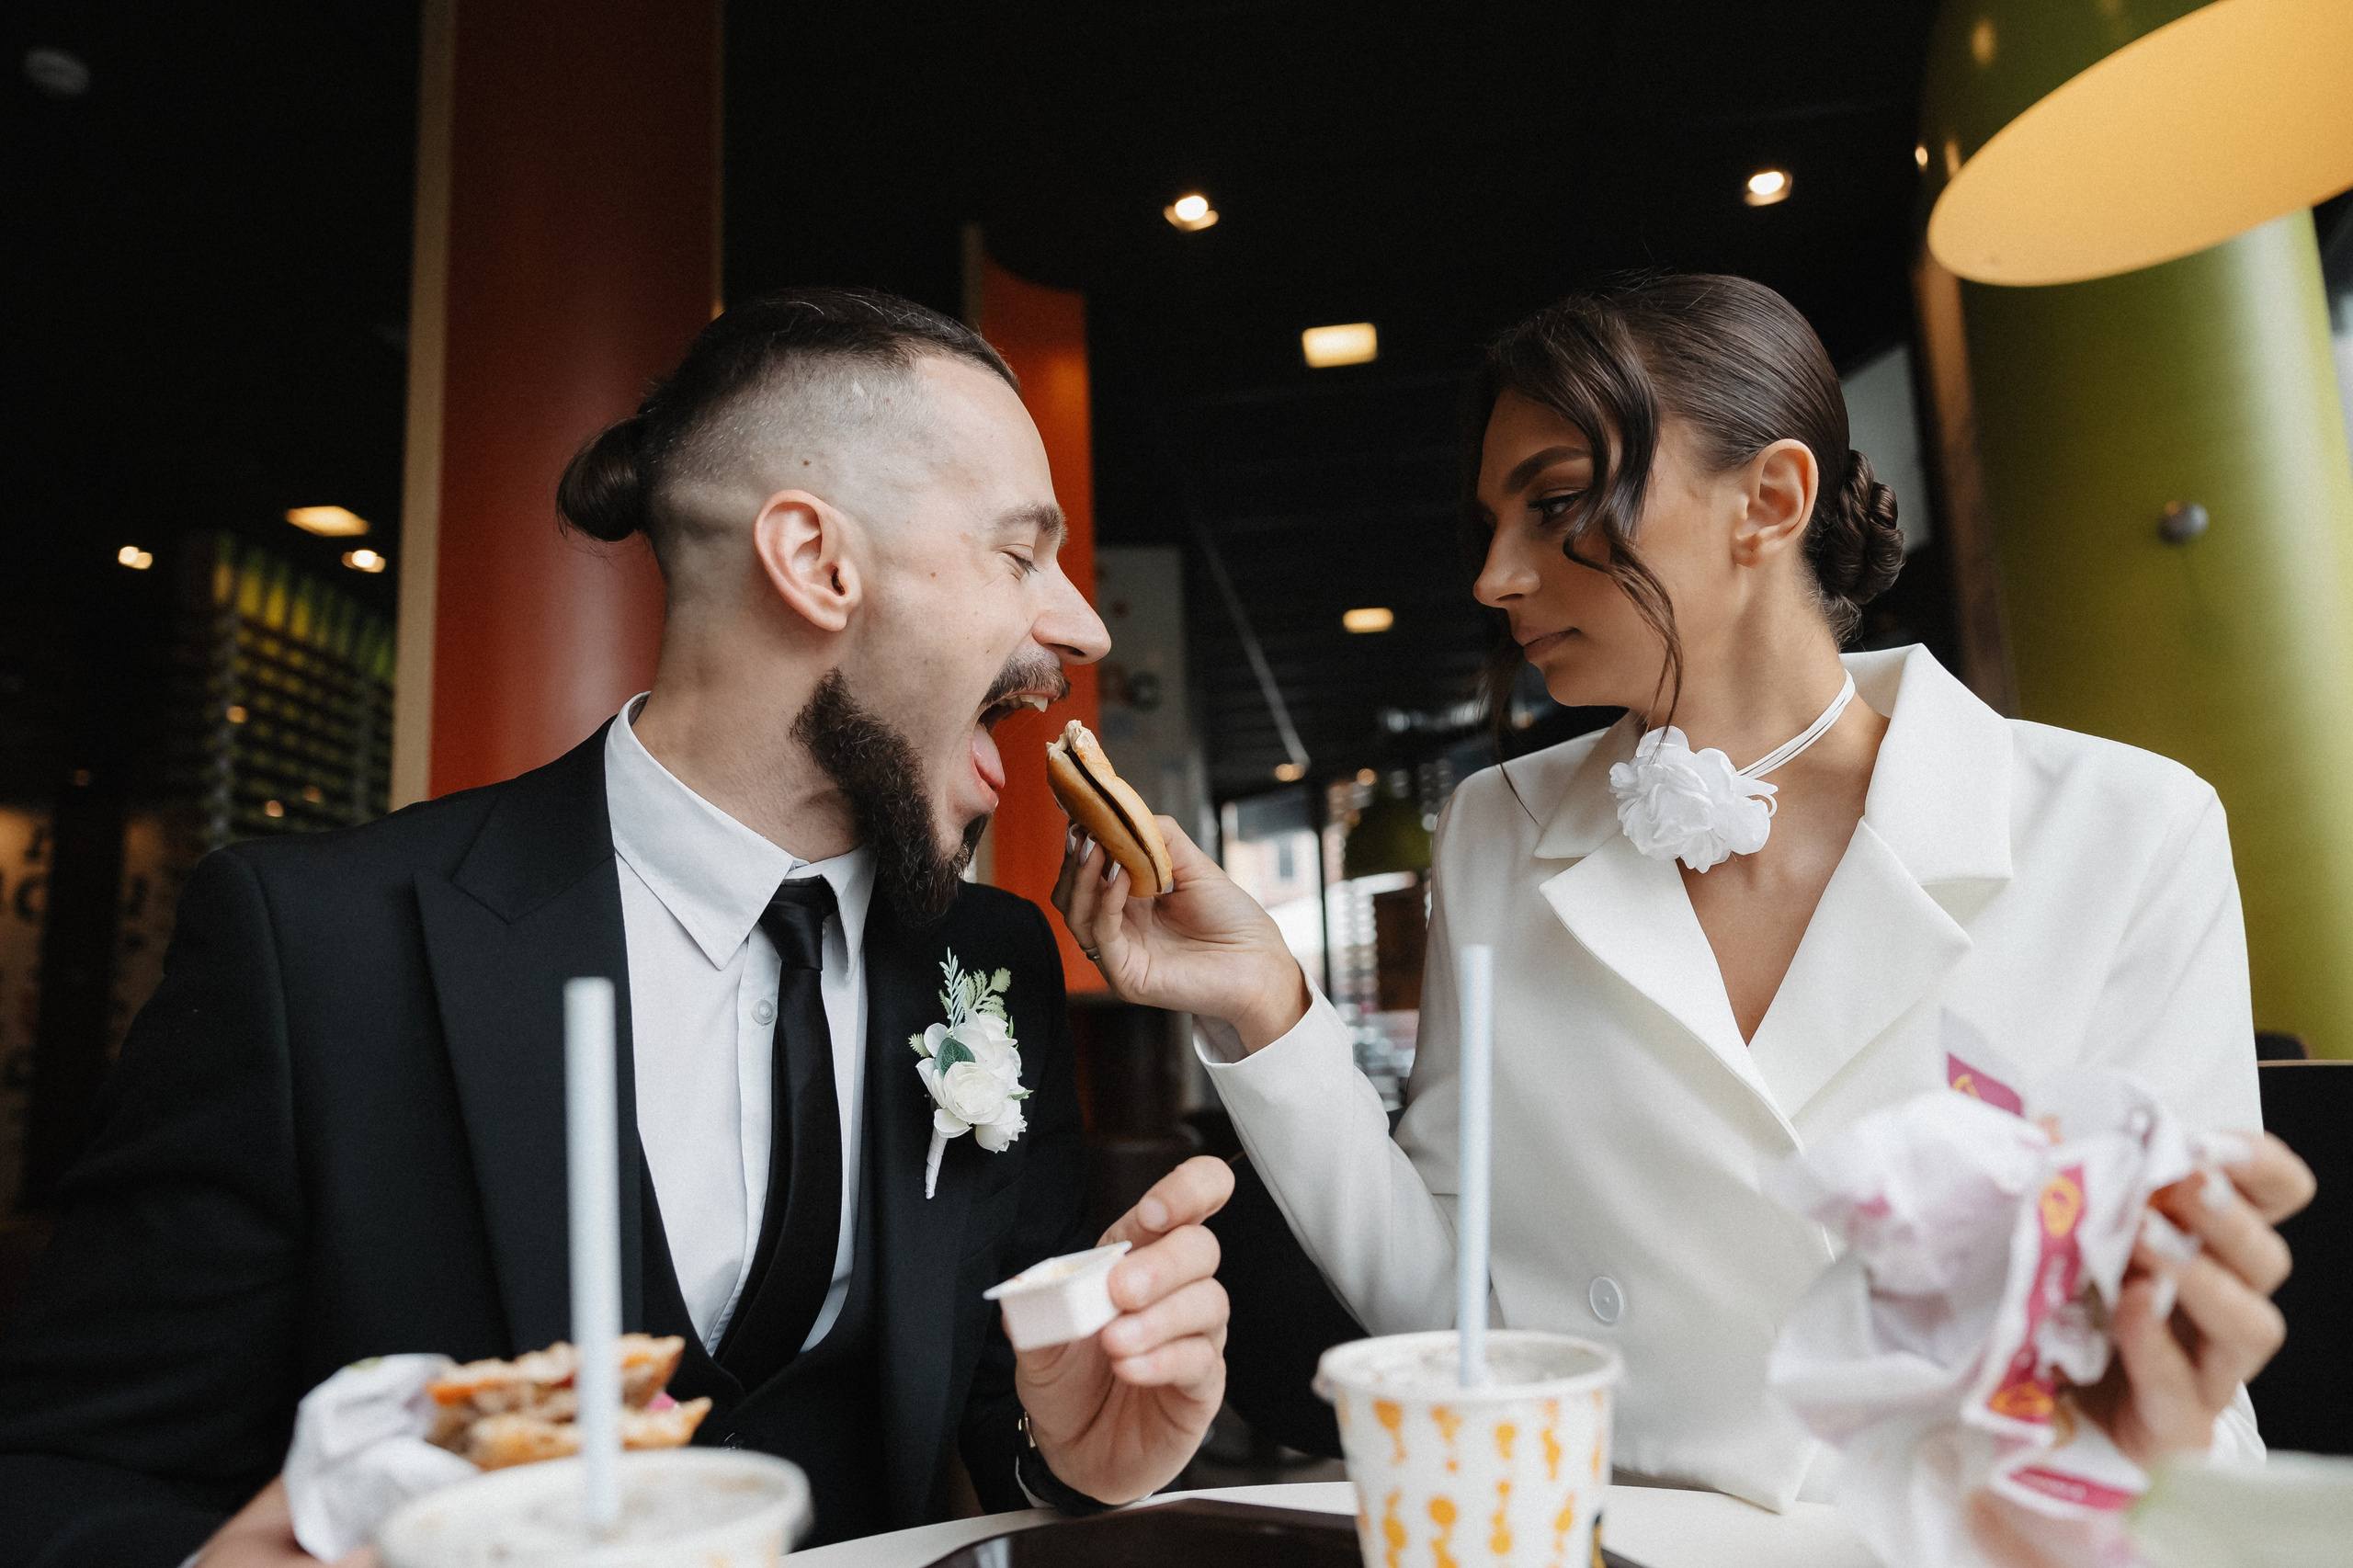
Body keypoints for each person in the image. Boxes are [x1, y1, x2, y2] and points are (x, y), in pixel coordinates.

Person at [0, 289, 1233, 1566]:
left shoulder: (993, 959)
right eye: (1022, 554)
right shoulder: (312, 951)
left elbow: (994, 1401)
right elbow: (60, 1475)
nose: (1082, 625)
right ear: (817, 562)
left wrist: (1072, 1452)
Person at [1056, 274, 2313, 1515]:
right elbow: (1457, 1322)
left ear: (1768, 501)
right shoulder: (1499, 829)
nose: (1496, 576)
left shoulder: (2125, 829)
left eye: (1554, 505)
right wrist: (1270, 1004)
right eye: (1488, 523)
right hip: (1628, 1537)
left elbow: (2178, 1347)